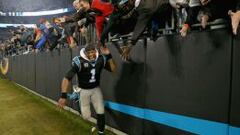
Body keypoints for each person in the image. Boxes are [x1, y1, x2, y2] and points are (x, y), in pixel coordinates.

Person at [57, 44, 117, 135]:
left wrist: (109, 56)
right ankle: (78, 97)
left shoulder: (100, 59)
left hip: (96, 89)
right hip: (84, 90)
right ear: (85, 54)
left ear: (95, 52)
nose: (91, 54)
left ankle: (101, 132)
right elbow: (67, 78)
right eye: (89, 53)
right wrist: (63, 95)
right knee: (86, 116)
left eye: (93, 52)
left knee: (101, 112)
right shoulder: (79, 62)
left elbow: (113, 69)